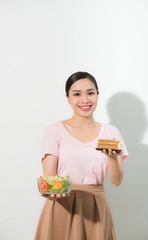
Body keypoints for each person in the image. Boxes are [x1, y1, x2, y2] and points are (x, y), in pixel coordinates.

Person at [34, 71, 128, 240]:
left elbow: (116, 181)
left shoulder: (110, 132)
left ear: (97, 95)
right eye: (77, 94)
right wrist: (47, 191)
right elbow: (49, 177)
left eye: (90, 93)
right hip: (62, 206)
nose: (85, 100)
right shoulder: (54, 130)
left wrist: (113, 157)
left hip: (95, 208)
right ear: (68, 98)